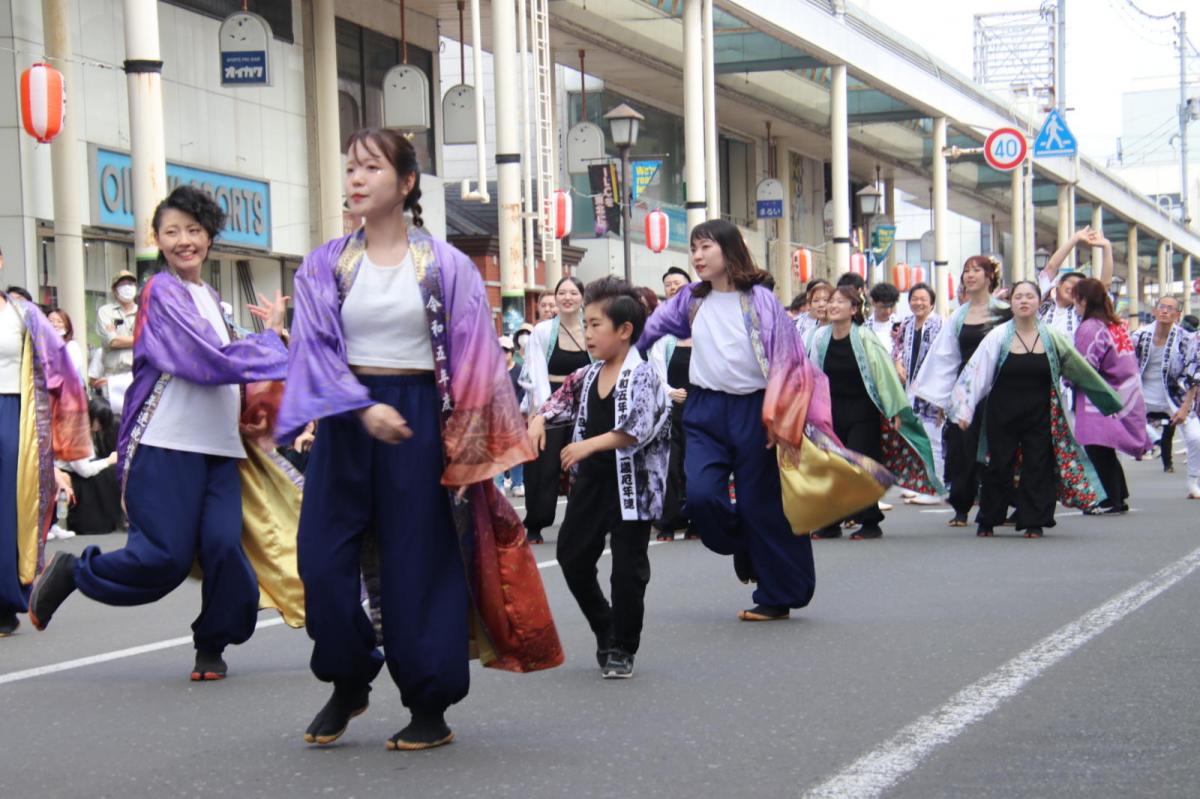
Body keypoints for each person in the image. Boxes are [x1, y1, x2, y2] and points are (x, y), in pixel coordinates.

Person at [275, 128, 562, 752]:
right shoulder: (324, 263)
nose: (355, 179)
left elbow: (476, 359)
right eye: (350, 167)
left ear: (406, 184)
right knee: (320, 561)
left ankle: (429, 702)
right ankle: (349, 677)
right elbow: (314, 350)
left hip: (420, 420)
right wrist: (359, 407)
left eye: (371, 168)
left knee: (418, 564)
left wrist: (467, 440)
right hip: (350, 421)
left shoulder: (447, 266)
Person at [28, 185, 302, 679]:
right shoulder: (160, 292)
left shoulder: (211, 298)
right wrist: (277, 350)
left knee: (224, 547)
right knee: (163, 560)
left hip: (218, 451)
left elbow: (235, 355)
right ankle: (76, 571)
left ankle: (212, 643)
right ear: (157, 238)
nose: (183, 240)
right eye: (171, 231)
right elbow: (207, 360)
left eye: (193, 231)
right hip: (165, 445)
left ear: (209, 238)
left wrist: (272, 334)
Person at [638, 219, 890, 621]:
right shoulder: (690, 298)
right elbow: (650, 330)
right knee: (701, 497)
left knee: (763, 505)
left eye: (705, 247)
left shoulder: (760, 300)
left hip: (757, 411)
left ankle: (778, 595)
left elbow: (788, 361)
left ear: (729, 249)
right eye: (693, 249)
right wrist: (622, 354)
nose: (697, 256)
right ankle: (746, 545)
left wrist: (783, 419)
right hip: (704, 410)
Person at [530, 277, 669, 678]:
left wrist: (587, 445)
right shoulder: (586, 376)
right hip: (592, 481)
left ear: (625, 331)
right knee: (572, 557)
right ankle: (604, 625)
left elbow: (636, 429)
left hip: (633, 485)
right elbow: (556, 403)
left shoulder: (644, 375)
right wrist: (538, 419)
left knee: (627, 569)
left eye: (595, 325)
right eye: (586, 325)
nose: (588, 333)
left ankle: (623, 646)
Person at [951, 280, 1121, 538]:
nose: (1024, 301)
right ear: (1011, 303)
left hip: (1040, 412)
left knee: (1038, 464)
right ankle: (988, 519)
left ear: (1039, 302)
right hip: (1002, 412)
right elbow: (976, 374)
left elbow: (1080, 370)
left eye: (1029, 296)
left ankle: (1034, 521)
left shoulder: (1052, 337)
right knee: (999, 463)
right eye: (1018, 296)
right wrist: (964, 410)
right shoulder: (998, 336)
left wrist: (1108, 402)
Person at [808, 287, 942, 539]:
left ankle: (870, 522)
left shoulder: (865, 338)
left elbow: (885, 376)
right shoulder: (819, 338)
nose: (833, 306)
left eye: (840, 301)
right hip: (831, 411)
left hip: (863, 411)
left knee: (860, 467)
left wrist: (895, 409)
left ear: (854, 309)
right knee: (833, 467)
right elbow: (810, 373)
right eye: (831, 301)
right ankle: (831, 522)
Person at [0, 284, 90, 636]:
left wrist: (59, 432)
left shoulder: (24, 314)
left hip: (14, 415)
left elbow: (59, 368)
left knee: (10, 509)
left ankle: (5, 600)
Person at [912, 255, 1012, 527]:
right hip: (965, 390)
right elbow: (945, 358)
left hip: (998, 388)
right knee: (961, 448)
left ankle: (994, 506)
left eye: (976, 270)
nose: (970, 275)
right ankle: (961, 505)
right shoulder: (959, 315)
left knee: (996, 449)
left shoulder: (1006, 311)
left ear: (989, 277)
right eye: (966, 271)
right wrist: (942, 398)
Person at [520, 276, 591, 544]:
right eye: (563, 292)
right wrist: (540, 411)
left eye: (574, 292)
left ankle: (583, 520)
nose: (568, 297)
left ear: (582, 297)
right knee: (544, 465)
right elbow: (534, 371)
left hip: (585, 404)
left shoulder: (591, 328)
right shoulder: (543, 331)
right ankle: (536, 523)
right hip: (550, 402)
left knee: (585, 464)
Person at [1072, 278, 1150, 514]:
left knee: (1097, 445)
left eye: (1076, 300)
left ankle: (1111, 499)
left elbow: (1084, 367)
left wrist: (1066, 377)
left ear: (1083, 301)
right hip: (1127, 391)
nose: (1075, 305)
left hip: (1102, 394)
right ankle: (1119, 495)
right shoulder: (1114, 325)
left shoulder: (1090, 328)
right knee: (1105, 447)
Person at [1132, 296, 1200, 497]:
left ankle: (1193, 482)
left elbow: (1193, 375)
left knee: (1196, 437)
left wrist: (1186, 407)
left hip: (1173, 396)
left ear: (1177, 315)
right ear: (1154, 311)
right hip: (1140, 394)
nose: (1165, 311)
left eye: (1170, 309)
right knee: (1105, 429)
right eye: (1162, 307)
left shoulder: (1186, 340)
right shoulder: (1139, 336)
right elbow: (1123, 365)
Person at [648, 266, 696, 541]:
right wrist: (668, 392)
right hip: (669, 408)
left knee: (696, 464)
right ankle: (667, 521)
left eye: (678, 283)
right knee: (669, 463)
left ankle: (697, 521)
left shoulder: (704, 323)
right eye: (668, 285)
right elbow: (654, 369)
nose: (673, 287)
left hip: (700, 406)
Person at [893, 282, 944, 504]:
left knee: (933, 438)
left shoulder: (940, 324)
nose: (918, 303)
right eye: (915, 299)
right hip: (909, 389)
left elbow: (944, 358)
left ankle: (937, 486)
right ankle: (919, 482)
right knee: (913, 437)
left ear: (932, 302)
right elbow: (897, 348)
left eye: (923, 299)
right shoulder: (906, 324)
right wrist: (897, 363)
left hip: (932, 391)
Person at [1037, 226, 1114, 337]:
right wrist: (1075, 238)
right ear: (1059, 284)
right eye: (1071, 283)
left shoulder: (1082, 312)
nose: (1074, 289)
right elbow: (1051, 267)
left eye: (1079, 288)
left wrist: (1107, 247)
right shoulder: (1042, 302)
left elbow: (1104, 286)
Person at [95, 270, 140, 415]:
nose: (127, 287)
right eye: (123, 284)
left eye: (131, 283)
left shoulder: (144, 311)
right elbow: (112, 341)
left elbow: (152, 341)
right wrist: (139, 339)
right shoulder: (106, 311)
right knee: (114, 424)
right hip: (113, 376)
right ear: (114, 289)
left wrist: (119, 338)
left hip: (137, 375)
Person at [498, 335, 525, 497]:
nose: (503, 354)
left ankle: (517, 483)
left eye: (506, 351)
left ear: (511, 352)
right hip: (497, 419)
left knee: (516, 453)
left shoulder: (519, 370)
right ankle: (499, 484)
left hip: (516, 418)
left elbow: (524, 393)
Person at [47, 308, 86, 385]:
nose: (55, 324)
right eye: (50, 321)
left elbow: (69, 370)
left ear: (67, 326)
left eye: (59, 321)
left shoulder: (72, 346)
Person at [866, 282, 900, 352]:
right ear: (873, 302)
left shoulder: (901, 325)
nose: (888, 311)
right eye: (883, 307)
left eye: (891, 306)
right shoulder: (865, 327)